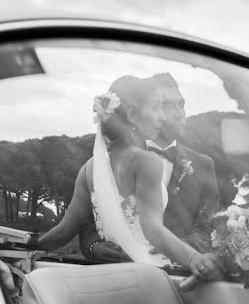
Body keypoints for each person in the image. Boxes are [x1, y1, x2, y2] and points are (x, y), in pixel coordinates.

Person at [34, 74, 224, 281]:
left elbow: (63, 231)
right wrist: (195, 259)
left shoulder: (89, 168)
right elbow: (151, 229)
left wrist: (24, 245)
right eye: (155, 108)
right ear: (133, 116)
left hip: (105, 279)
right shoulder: (147, 161)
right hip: (150, 277)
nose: (161, 117)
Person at [79, 73, 220, 262]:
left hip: (176, 279)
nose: (180, 113)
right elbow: (87, 220)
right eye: (167, 105)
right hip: (113, 271)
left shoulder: (203, 165)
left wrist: (176, 251)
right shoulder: (110, 159)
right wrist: (94, 247)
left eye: (182, 105)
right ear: (137, 111)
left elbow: (208, 229)